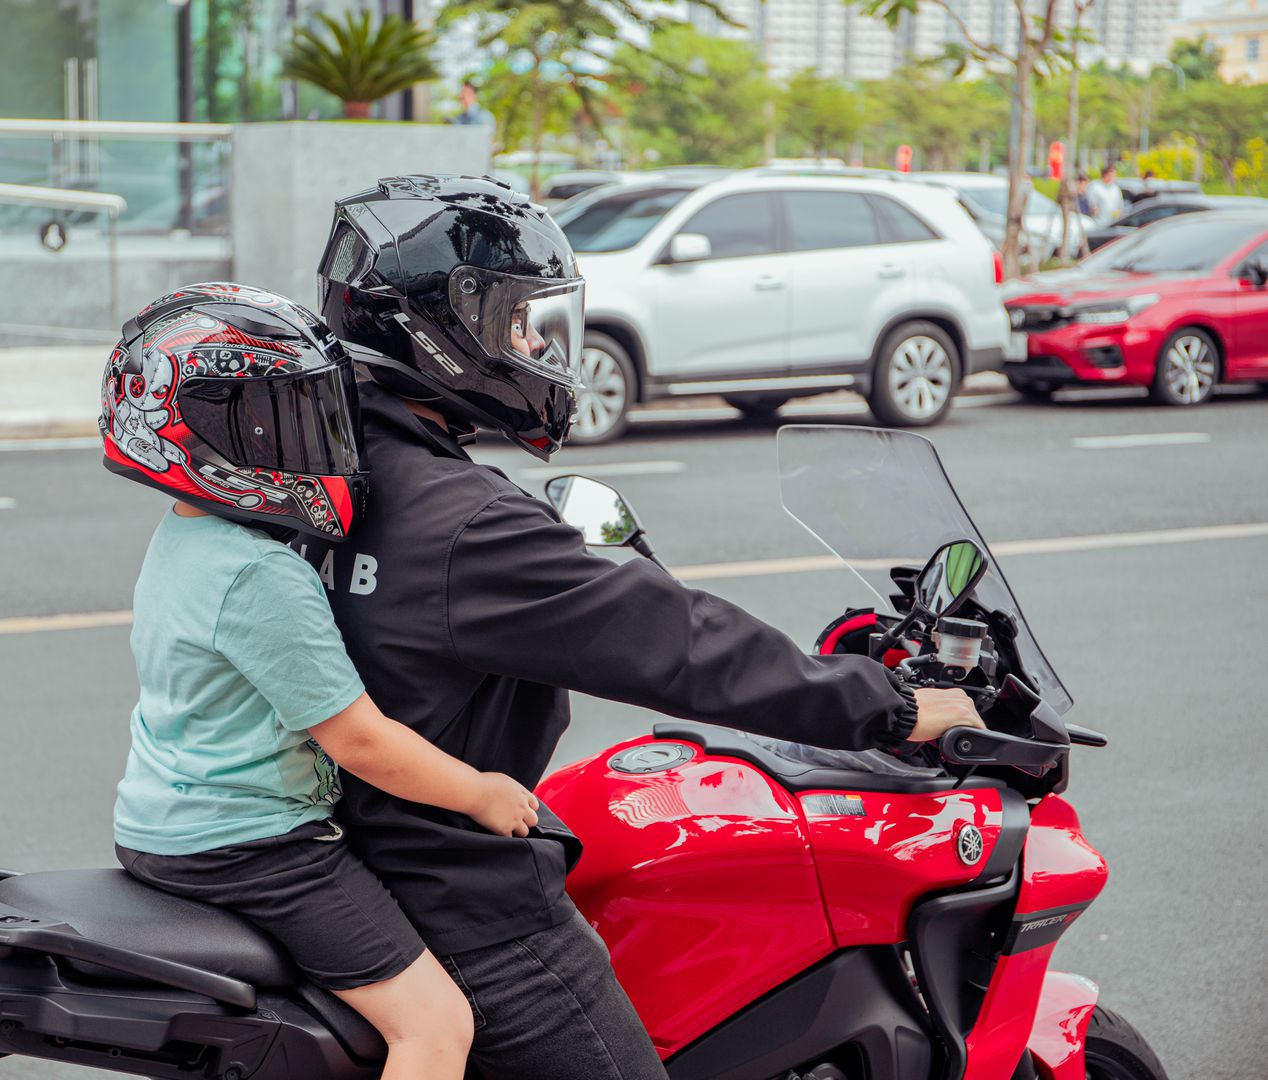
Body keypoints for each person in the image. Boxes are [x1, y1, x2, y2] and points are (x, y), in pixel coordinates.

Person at [307, 175, 987, 1079]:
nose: (535, 346)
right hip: (453, 887)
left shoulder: (329, 470)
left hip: (346, 852)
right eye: (517, 321)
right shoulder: (468, 524)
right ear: (443, 327)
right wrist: (890, 706)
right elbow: (678, 643)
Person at [101, 282, 544, 1080]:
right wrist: (481, 793)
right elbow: (359, 741)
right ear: (212, 433)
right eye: (279, 418)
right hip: (253, 846)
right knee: (436, 1027)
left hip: (160, 826)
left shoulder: (184, 539)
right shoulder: (261, 574)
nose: (312, 439)